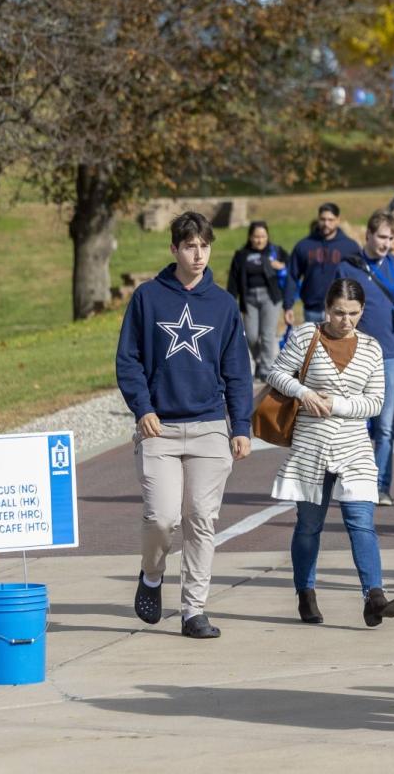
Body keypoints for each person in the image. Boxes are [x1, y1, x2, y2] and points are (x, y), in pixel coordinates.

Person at [116, 211, 253, 639]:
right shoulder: (148, 297)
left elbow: (237, 370)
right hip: (160, 428)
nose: (198, 254)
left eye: (205, 246)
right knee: (161, 519)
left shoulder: (223, 303)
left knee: (201, 518)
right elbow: (129, 360)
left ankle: (194, 609)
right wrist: (142, 408)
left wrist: (241, 425)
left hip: (210, 425)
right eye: (190, 246)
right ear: (174, 248)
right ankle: (152, 576)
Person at [268, 279, 394, 628]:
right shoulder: (305, 336)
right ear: (327, 308)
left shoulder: (372, 348)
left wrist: (338, 403)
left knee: (361, 522)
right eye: (339, 312)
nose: (346, 320)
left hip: (354, 445)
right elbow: (276, 372)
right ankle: (306, 592)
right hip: (311, 444)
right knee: (309, 525)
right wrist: (304, 393)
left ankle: (374, 596)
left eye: (354, 314)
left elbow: (375, 402)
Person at [333, 211, 394, 506]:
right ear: (367, 235)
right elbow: (331, 311)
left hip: (391, 357)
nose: (385, 243)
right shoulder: (348, 268)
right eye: (381, 237)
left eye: (390, 238)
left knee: (384, 427)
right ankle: (352, 480)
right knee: (352, 424)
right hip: (354, 356)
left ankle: (380, 487)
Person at [227, 221, 294, 379]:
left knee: (268, 334)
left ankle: (266, 368)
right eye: (256, 236)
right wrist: (230, 303)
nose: (259, 240)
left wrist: (281, 267)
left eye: (263, 236)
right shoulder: (241, 255)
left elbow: (291, 272)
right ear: (250, 237)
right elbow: (233, 280)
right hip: (249, 299)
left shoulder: (276, 252)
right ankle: (259, 360)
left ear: (267, 236)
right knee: (250, 336)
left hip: (270, 298)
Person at [290, 203, 360, 324]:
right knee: (313, 343)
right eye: (323, 219)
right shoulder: (304, 246)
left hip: (341, 311)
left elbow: (359, 278)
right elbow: (292, 276)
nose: (326, 223)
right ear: (318, 219)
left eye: (330, 220)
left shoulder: (350, 247)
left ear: (338, 220)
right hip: (312, 310)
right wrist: (288, 305)